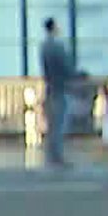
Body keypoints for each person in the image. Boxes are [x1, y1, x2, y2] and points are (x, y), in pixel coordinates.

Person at [38, 18, 78, 168]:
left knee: (52, 125)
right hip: (61, 88)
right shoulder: (58, 46)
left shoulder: (43, 46)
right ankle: (58, 156)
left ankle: (51, 155)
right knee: (60, 125)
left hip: (50, 88)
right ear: (54, 27)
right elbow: (67, 68)